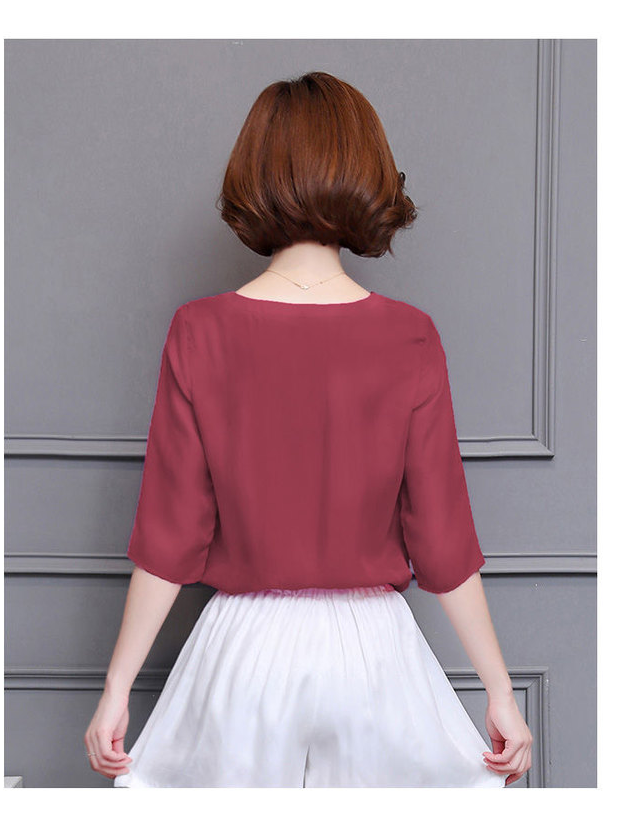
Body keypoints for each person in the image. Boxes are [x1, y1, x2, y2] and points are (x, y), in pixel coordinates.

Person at [84, 71, 532, 788]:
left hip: (241, 653)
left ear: (254, 173)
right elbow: (443, 540)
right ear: (366, 171)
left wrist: (116, 688)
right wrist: (500, 690)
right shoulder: (410, 337)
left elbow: (170, 535)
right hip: (375, 659)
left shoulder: (200, 331)